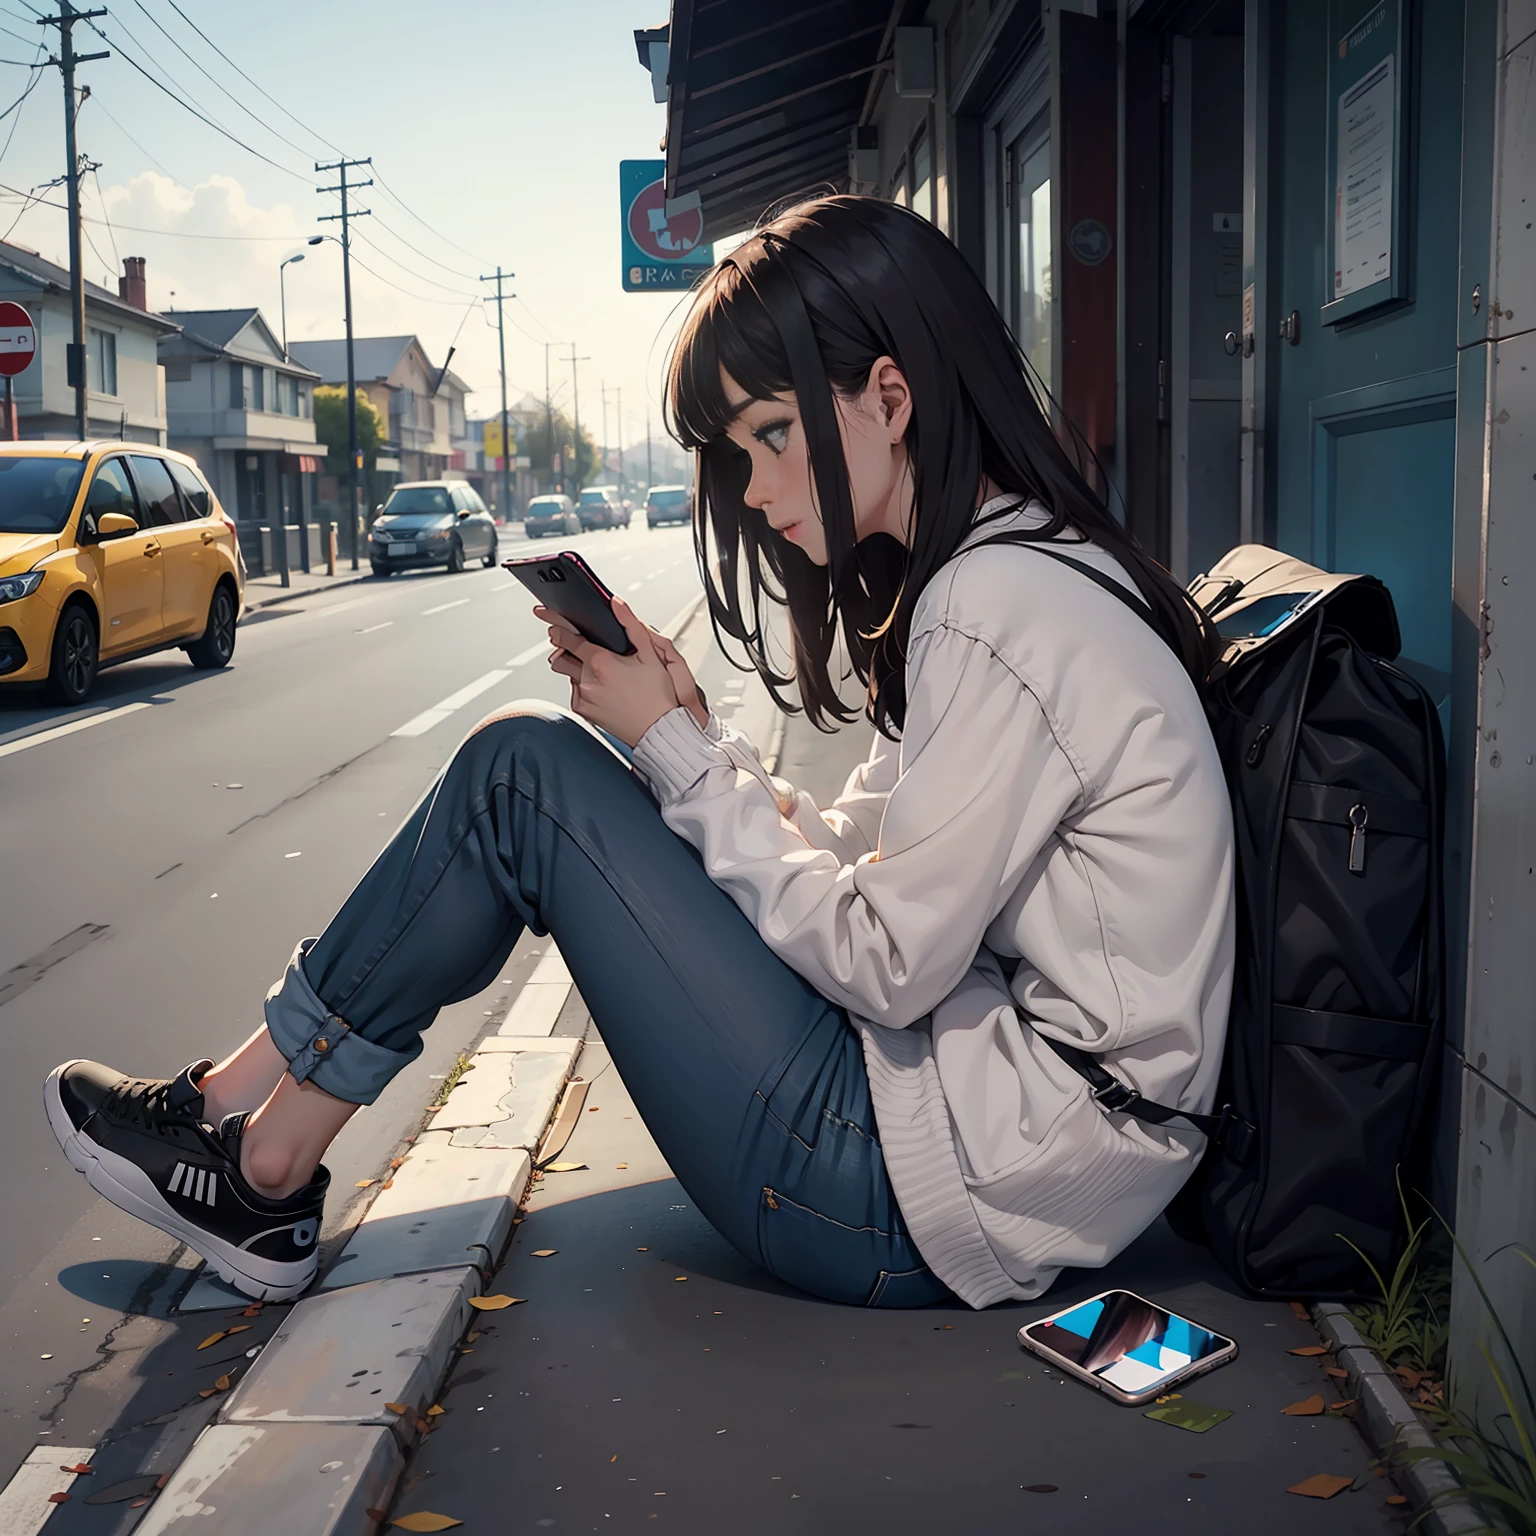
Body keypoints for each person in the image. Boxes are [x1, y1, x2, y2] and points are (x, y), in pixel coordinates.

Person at [44, 196, 1234, 1309]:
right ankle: (243, 1129)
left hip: (949, 1190)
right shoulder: (1004, 572)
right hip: (984, 1139)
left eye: (775, 433)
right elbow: (869, 857)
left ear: (890, 392)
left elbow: (887, 963)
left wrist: (674, 754)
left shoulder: (998, 605)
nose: (758, 486)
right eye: (736, 447)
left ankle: (255, 1159)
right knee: (534, 775)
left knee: (524, 779)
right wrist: (696, 747)